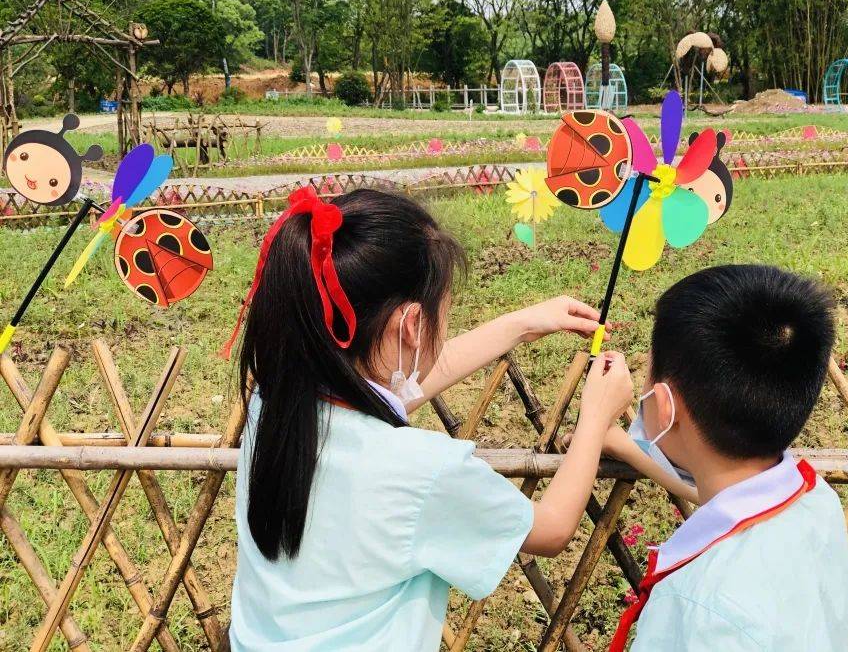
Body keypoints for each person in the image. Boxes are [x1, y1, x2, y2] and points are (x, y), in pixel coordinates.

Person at [225, 186, 634, 652]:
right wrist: (595, 416)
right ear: (412, 326)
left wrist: (518, 325)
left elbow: (390, 392)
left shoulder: (274, 404)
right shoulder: (421, 470)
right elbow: (552, 527)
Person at [609, 264, 848, 652]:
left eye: (648, 370)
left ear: (666, 406)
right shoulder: (814, 499)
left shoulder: (700, 607)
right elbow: (726, 498)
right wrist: (622, 445)